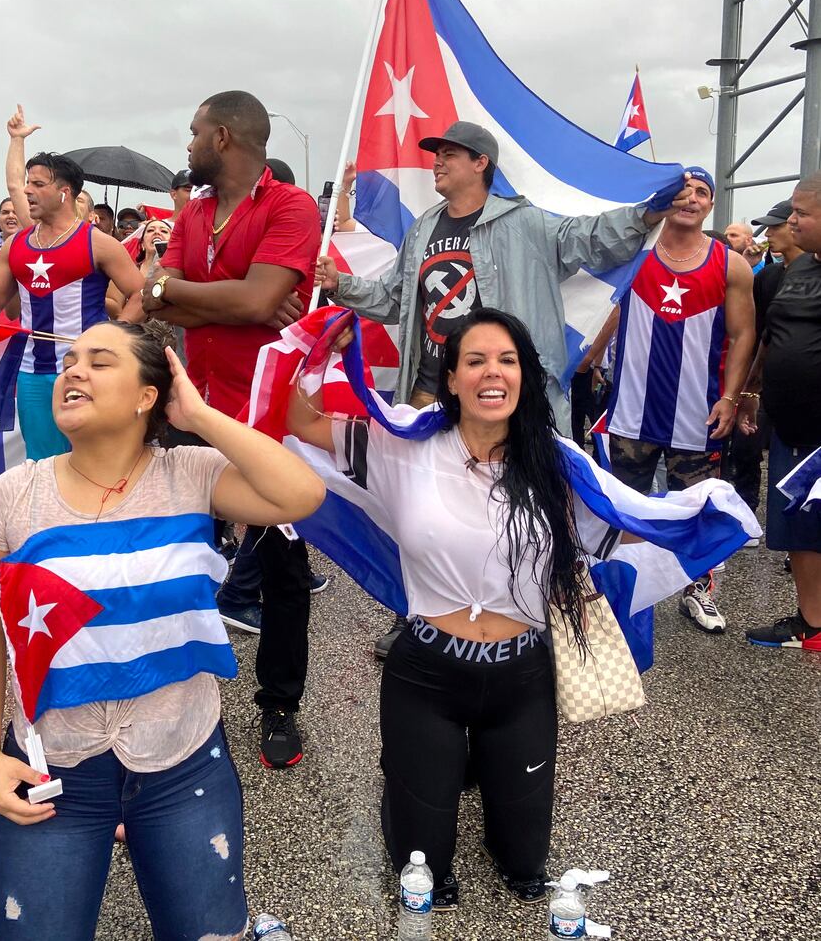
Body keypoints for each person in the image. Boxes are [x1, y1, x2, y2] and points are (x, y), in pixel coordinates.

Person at [0, 319, 325, 940]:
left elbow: (301, 495)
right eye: (71, 361)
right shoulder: (12, 497)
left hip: (185, 762)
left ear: (148, 395)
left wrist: (202, 416)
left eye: (100, 361)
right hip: (53, 769)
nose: (74, 370)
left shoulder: (194, 474)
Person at [314, 120, 689, 656]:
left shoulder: (525, 222)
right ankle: (424, 609)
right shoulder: (422, 229)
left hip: (503, 395)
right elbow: (398, 299)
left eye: (448, 154)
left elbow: (589, 238)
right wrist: (340, 285)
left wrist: (647, 213)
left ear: (480, 162)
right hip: (432, 390)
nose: (437, 163)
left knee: (522, 502)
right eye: (436, 155)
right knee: (429, 501)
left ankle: (536, 609)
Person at [287, 308, 589, 911]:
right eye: (475, 361)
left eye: (507, 360)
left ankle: (463, 780)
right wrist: (317, 353)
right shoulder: (403, 445)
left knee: (526, 866)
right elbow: (304, 422)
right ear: (450, 378)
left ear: (525, 375)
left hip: (522, 677)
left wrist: (695, 515)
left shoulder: (557, 463)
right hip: (427, 674)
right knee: (423, 867)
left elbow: (621, 522)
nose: (492, 373)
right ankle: (423, 779)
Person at [141, 89, 321, 769]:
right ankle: (169, 695)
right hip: (194, 407)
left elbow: (256, 299)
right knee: (176, 552)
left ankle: (279, 703)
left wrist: (198, 295)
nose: (185, 145)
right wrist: (234, 301)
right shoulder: (192, 210)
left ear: (222, 137)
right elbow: (161, 296)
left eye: (193, 133)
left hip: (270, 415)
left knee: (281, 567)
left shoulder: (289, 206)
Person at [604, 168, 754, 633]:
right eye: (683, 190)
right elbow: (604, 307)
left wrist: (731, 396)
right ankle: (620, 590)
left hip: (698, 411)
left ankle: (698, 591)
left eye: (701, 193)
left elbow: (744, 332)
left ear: (711, 205)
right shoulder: (637, 250)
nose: (690, 199)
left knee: (699, 508)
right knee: (624, 506)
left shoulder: (731, 264)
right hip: (631, 408)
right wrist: (584, 360)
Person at [0, 152, 145, 460]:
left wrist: (114, 338)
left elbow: (141, 294)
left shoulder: (98, 243)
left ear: (64, 192)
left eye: (38, 184)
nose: (27, 191)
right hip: (32, 372)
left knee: (95, 457)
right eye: (28, 183)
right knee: (43, 463)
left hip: (88, 369)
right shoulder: (15, 244)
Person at [742, 173, 821, 651]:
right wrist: (748, 390)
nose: (792, 221)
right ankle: (811, 623)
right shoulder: (797, 270)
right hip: (790, 427)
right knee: (799, 526)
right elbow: (772, 337)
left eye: (803, 212)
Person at [726, 199, 801, 528]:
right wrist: (748, 389)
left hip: (807, 391)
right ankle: (748, 515)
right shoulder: (768, 277)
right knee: (748, 447)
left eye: (777, 224)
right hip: (767, 385)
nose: (769, 232)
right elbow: (754, 333)